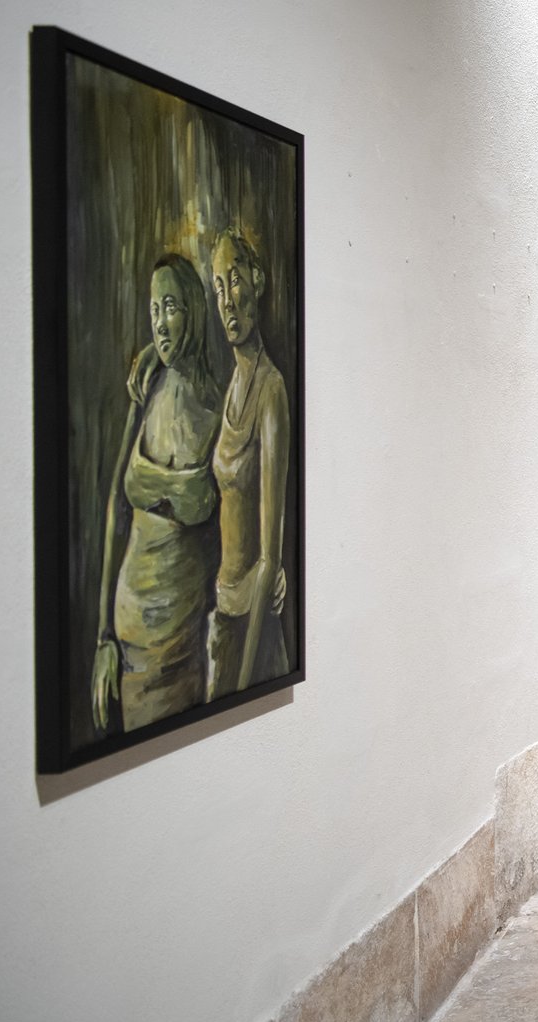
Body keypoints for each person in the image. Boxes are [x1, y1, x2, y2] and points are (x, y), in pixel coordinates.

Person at [91, 253, 223, 732]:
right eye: (153, 309)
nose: (160, 323)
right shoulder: (146, 388)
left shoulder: (218, 409)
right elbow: (117, 509)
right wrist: (104, 637)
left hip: (182, 645)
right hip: (128, 641)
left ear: (194, 310)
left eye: (171, 307)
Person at [207, 227, 292, 700]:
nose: (227, 300)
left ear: (257, 280)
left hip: (253, 627)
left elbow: (269, 557)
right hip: (224, 617)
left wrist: (241, 682)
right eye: (218, 286)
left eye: (235, 280)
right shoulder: (232, 387)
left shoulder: (270, 390)